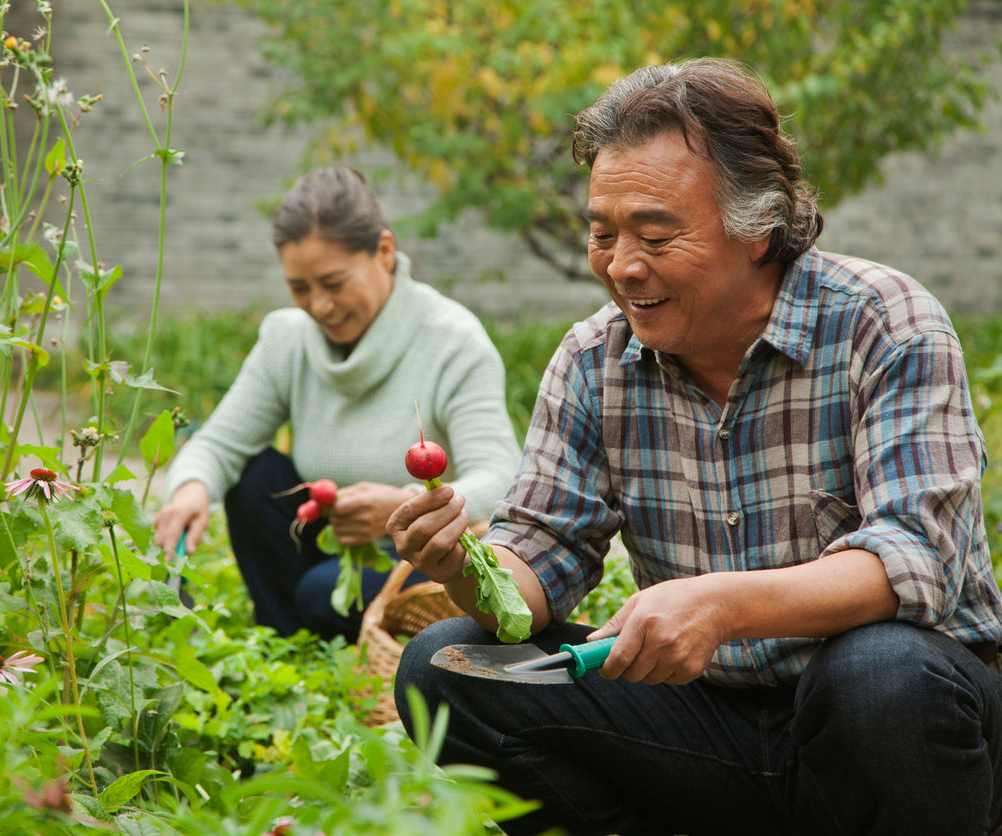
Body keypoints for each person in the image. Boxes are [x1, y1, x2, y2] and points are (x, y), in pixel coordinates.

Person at [387, 58, 1002, 836]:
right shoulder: (592, 360)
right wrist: (463, 565)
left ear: (757, 228)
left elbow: (917, 559)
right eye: (602, 234)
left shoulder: (884, 322)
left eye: (654, 234)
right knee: (443, 667)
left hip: (895, 723)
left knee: (880, 673)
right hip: (713, 728)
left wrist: (719, 605)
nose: (621, 266)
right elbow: (536, 563)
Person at [152, 166, 521, 642]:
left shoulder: (452, 342)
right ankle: (291, 649)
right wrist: (190, 489)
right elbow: (219, 443)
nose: (319, 306)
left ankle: (324, 640)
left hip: (419, 554)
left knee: (322, 592)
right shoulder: (288, 339)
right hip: (330, 542)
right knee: (253, 475)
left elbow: (500, 477)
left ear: (385, 252)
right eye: (300, 288)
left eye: (333, 283)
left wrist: (406, 507)